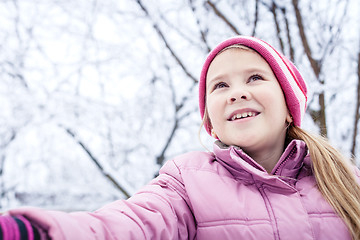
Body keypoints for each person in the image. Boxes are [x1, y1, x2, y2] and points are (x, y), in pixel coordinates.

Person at [1, 36, 360, 240]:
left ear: (288, 108)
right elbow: (132, 225)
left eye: (254, 78)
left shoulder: (344, 184)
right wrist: (39, 233)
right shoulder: (188, 182)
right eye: (220, 86)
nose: (236, 93)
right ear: (213, 125)